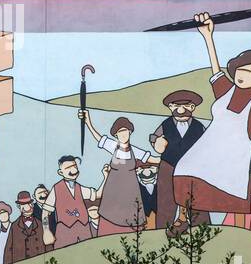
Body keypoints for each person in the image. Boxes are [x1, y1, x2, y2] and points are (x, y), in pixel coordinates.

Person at [173, 14, 251, 228]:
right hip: (210, 145)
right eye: (239, 70)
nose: (241, 75)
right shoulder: (226, 89)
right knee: (184, 169)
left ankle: (225, 228)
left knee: (221, 190)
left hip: (231, 153)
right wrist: (208, 36)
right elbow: (215, 68)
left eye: (248, 72)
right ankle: (183, 218)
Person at [80, 111, 157, 235]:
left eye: (125, 131)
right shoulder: (112, 146)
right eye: (120, 132)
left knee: (132, 218)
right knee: (110, 216)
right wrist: (87, 121)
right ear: (116, 135)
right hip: (113, 191)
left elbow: (154, 159)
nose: (123, 134)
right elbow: (98, 137)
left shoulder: (135, 151)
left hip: (130, 192)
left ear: (130, 132)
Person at [149, 90, 205, 230]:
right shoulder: (165, 124)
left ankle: (200, 228)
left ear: (192, 107)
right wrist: (156, 142)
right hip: (169, 166)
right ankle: (163, 228)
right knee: (166, 200)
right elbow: (154, 137)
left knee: (197, 200)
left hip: (194, 169)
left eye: (186, 106)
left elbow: (208, 143)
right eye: (176, 106)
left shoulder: (199, 126)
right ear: (170, 107)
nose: (181, 110)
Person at [42, 156, 98, 249]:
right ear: (60, 172)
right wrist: (46, 231)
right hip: (65, 231)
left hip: (84, 229)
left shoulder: (80, 188)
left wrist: (106, 177)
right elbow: (45, 211)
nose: (73, 169)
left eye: (74, 166)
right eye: (68, 168)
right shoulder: (56, 189)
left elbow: (97, 194)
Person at [3, 191, 47, 264]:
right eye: (23, 205)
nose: (27, 208)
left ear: (32, 204)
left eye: (29, 204)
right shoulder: (14, 226)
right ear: (19, 207)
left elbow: (47, 245)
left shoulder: (40, 224)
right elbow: (9, 249)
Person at [136, 162, 160, 229]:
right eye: (141, 168)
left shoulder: (163, 184)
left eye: (150, 167)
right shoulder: (135, 187)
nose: (146, 172)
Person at [33, 183, 56, 250]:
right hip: (40, 244)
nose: (43, 195)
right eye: (40, 193)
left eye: (45, 192)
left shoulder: (55, 206)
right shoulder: (32, 210)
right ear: (34, 196)